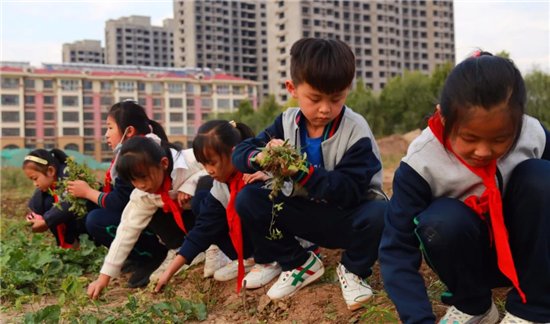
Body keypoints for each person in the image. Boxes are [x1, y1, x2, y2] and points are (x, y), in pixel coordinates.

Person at [379, 52, 550, 324]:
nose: (483, 151)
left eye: (500, 139)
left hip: (528, 256)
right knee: (441, 221)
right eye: (469, 138)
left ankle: (533, 310)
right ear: (444, 118)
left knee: (541, 177)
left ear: (519, 121)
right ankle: (475, 306)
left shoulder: (533, 134)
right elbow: (396, 248)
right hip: (471, 263)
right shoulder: (421, 162)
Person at [232, 38, 387, 311]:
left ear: (347, 91)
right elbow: (241, 152)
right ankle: (299, 262)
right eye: (315, 99)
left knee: (381, 212)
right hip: (306, 215)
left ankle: (353, 270)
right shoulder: (286, 122)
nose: (325, 108)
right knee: (249, 200)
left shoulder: (356, 130)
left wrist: (302, 172)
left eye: (336, 98)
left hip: (346, 218)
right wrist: (260, 156)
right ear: (292, 89)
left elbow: (348, 190)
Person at [155, 120, 277, 293]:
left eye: (212, 163)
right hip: (252, 239)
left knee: (247, 199)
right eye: (203, 164)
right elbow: (203, 230)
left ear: (233, 154)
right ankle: (249, 258)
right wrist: (168, 273)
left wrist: (269, 176)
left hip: (280, 237)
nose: (209, 170)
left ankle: (271, 260)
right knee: (203, 203)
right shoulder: (221, 185)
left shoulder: (256, 169)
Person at [66, 100, 174, 288]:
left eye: (109, 128)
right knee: (91, 207)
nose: (106, 135)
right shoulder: (134, 150)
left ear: (129, 131)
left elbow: (119, 202)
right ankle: (137, 255)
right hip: (145, 213)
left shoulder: (138, 157)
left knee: (96, 220)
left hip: (162, 219)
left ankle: (153, 256)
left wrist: (88, 191)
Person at [87, 134, 206, 299]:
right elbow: (126, 231)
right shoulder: (142, 194)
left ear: (163, 164)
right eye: (133, 181)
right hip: (187, 229)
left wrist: (191, 184)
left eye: (143, 177)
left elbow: (219, 166)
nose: (141, 185)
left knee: (204, 192)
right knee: (151, 205)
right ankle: (179, 249)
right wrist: (103, 278)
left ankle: (215, 248)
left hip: (211, 216)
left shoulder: (191, 160)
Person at [23, 148, 93, 248]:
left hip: (85, 221)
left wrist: (46, 221)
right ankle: (66, 245)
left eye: (35, 179)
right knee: (47, 203)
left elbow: (68, 204)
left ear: (50, 171)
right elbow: (37, 203)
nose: (35, 184)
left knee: (58, 212)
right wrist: (35, 217)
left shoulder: (69, 178)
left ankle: (81, 244)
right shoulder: (48, 186)